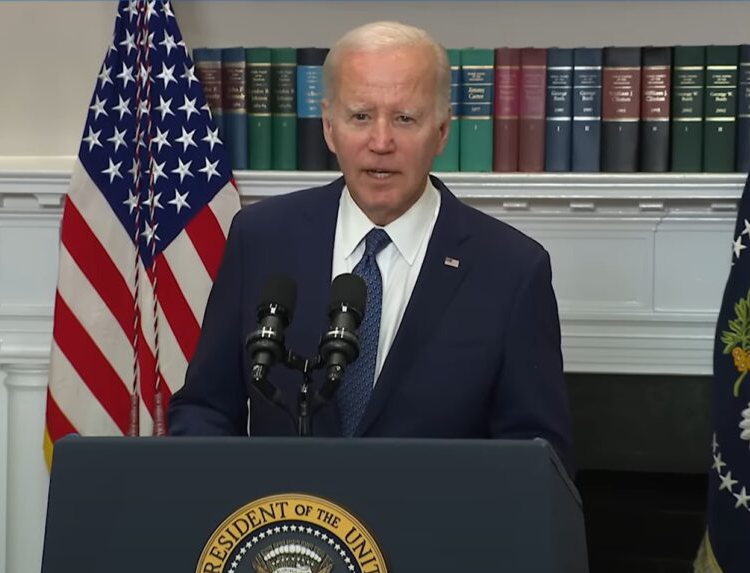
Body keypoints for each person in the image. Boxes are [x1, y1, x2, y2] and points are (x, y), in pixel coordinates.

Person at [167, 21, 573, 473]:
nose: (381, 143)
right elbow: (203, 408)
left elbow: (539, 460)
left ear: (441, 131)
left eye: (405, 118)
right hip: (286, 536)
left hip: (432, 538)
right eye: (361, 116)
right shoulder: (260, 237)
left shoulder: (512, 270)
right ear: (328, 126)